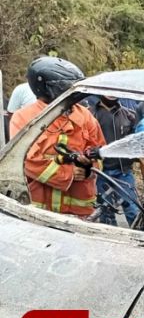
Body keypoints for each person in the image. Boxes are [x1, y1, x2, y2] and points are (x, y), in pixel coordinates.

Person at [11, 56, 106, 216]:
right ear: (45, 87)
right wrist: (68, 174)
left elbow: (100, 153)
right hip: (39, 211)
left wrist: (89, 169)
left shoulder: (86, 117)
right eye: (65, 88)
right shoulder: (25, 117)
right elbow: (28, 161)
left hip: (79, 211)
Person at [89, 96, 140, 226]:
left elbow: (136, 142)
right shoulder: (90, 114)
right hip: (100, 173)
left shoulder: (130, 115)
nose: (110, 95)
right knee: (105, 213)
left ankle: (141, 240)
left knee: (132, 210)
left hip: (123, 173)